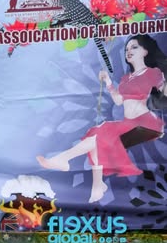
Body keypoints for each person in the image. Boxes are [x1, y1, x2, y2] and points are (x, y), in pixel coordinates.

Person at [38, 34, 167, 203]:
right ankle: (97, 186)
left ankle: (64, 160)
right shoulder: (126, 78)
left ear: (145, 51)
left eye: (134, 47)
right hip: (128, 124)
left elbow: (163, 94)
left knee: (102, 132)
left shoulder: (153, 73)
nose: (129, 51)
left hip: (146, 123)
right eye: (127, 49)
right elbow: (119, 101)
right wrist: (108, 82)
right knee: (98, 133)